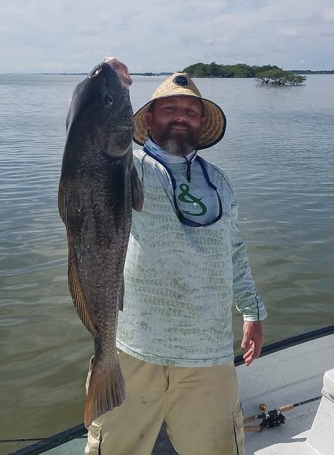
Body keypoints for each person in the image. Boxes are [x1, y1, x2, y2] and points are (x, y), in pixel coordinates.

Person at [85, 72, 267, 455]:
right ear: (148, 119)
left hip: (209, 354)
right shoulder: (124, 170)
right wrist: (104, 78)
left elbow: (234, 248)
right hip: (131, 349)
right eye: (169, 109)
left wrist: (252, 312)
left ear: (201, 124)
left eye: (191, 111)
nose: (181, 116)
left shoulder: (219, 181)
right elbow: (90, 146)